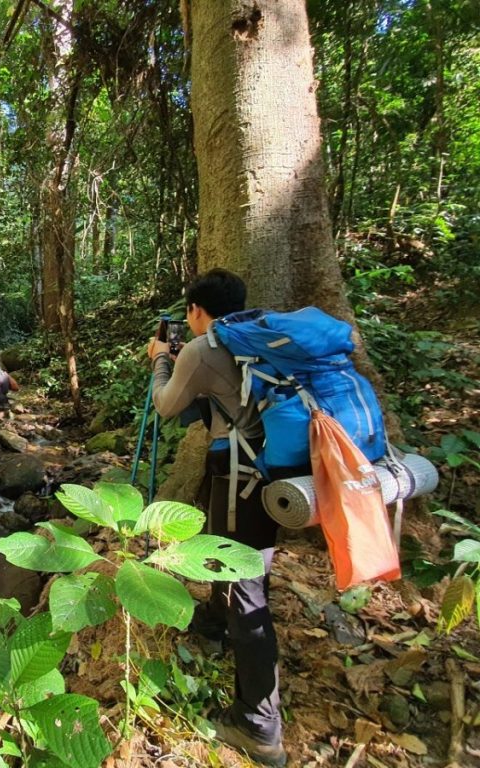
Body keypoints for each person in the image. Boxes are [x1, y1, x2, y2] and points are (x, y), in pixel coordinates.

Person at [146, 269, 290, 768]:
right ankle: (214, 622)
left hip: (241, 475)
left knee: (247, 585)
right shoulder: (264, 334)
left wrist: (161, 360)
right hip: (275, 472)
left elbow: (166, 406)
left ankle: (259, 726)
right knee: (228, 551)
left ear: (195, 310)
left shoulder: (203, 348)